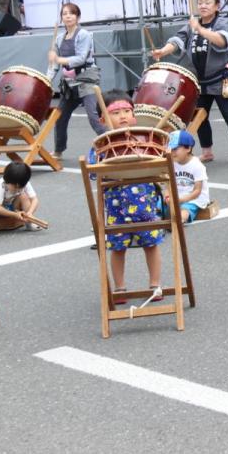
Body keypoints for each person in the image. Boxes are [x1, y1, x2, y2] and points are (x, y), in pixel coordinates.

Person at [150, 0, 228, 165]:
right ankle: (207, 152)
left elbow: (222, 41)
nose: (203, 6)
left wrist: (200, 29)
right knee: (199, 116)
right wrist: (163, 51)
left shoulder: (221, 23)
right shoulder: (192, 24)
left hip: (220, 80)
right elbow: (177, 40)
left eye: (207, 3)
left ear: (217, 6)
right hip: (199, 81)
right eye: (200, 3)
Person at [89, 91, 163, 303]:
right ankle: (120, 288)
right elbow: (93, 172)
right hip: (116, 208)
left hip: (145, 205)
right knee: (117, 248)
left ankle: (155, 284)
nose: (122, 116)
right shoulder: (101, 145)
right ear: (103, 120)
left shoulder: (144, 139)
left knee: (151, 244)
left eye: (126, 111)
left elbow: (160, 166)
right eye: (115, 112)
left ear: (134, 116)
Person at [49, 2, 106, 159]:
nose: (68, 16)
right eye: (64, 13)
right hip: (69, 83)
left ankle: (114, 145)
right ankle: (58, 150)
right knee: (60, 117)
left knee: (94, 117)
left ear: (78, 17)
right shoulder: (59, 39)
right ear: (62, 18)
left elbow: (80, 58)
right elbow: (54, 65)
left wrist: (58, 59)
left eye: (71, 13)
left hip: (86, 79)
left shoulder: (84, 35)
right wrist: (47, 80)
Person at [165, 129, 212, 223]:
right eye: (170, 149)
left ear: (188, 148)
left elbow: (197, 191)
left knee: (186, 208)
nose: (172, 153)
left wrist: (182, 199)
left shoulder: (197, 165)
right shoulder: (172, 163)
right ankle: (158, 218)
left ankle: (179, 220)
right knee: (158, 204)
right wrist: (167, 196)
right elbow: (168, 184)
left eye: (175, 149)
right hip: (178, 197)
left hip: (194, 198)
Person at [0, 161, 40, 232]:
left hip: (14, 208)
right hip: (0, 210)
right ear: (6, 181)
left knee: (23, 196)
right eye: (15, 187)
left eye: (20, 187)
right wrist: (14, 215)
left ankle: (29, 222)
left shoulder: (24, 182)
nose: (17, 189)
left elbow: (34, 199)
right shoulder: (0, 185)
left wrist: (30, 212)